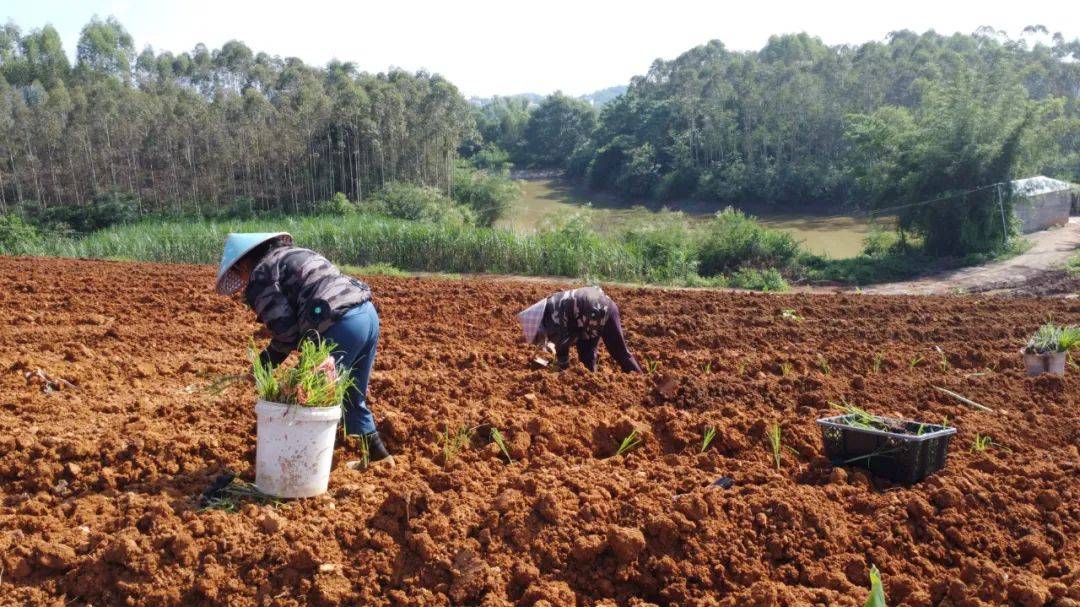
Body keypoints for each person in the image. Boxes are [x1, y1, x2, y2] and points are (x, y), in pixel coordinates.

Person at [214, 232, 393, 467]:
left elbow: (286, 333)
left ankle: (299, 466)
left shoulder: (262, 273)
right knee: (351, 395)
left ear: (243, 263)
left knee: (303, 395)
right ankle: (379, 458)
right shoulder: (293, 254)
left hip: (338, 324)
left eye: (239, 273)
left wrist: (262, 366)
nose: (243, 280)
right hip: (366, 316)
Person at [517, 286, 642, 373]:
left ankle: (640, 383)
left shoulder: (551, 316)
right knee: (587, 356)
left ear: (538, 325)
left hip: (598, 310)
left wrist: (558, 367)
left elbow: (562, 344)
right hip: (594, 311)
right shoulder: (549, 306)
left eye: (538, 337)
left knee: (619, 353)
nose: (540, 341)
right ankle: (590, 384)